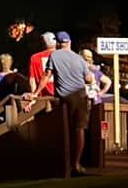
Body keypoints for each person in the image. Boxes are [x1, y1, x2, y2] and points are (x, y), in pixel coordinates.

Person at [33, 31, 93, 176]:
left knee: (64, 130)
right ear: (70, 42)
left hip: (63, 98)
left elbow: (46, 75)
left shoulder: (54, 55)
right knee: (79, 130)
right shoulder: (79, 59)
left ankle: (63, 163)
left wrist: (35, 93)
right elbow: (89, 79)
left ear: (58, 44)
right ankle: (76, 164)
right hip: (80, 95)